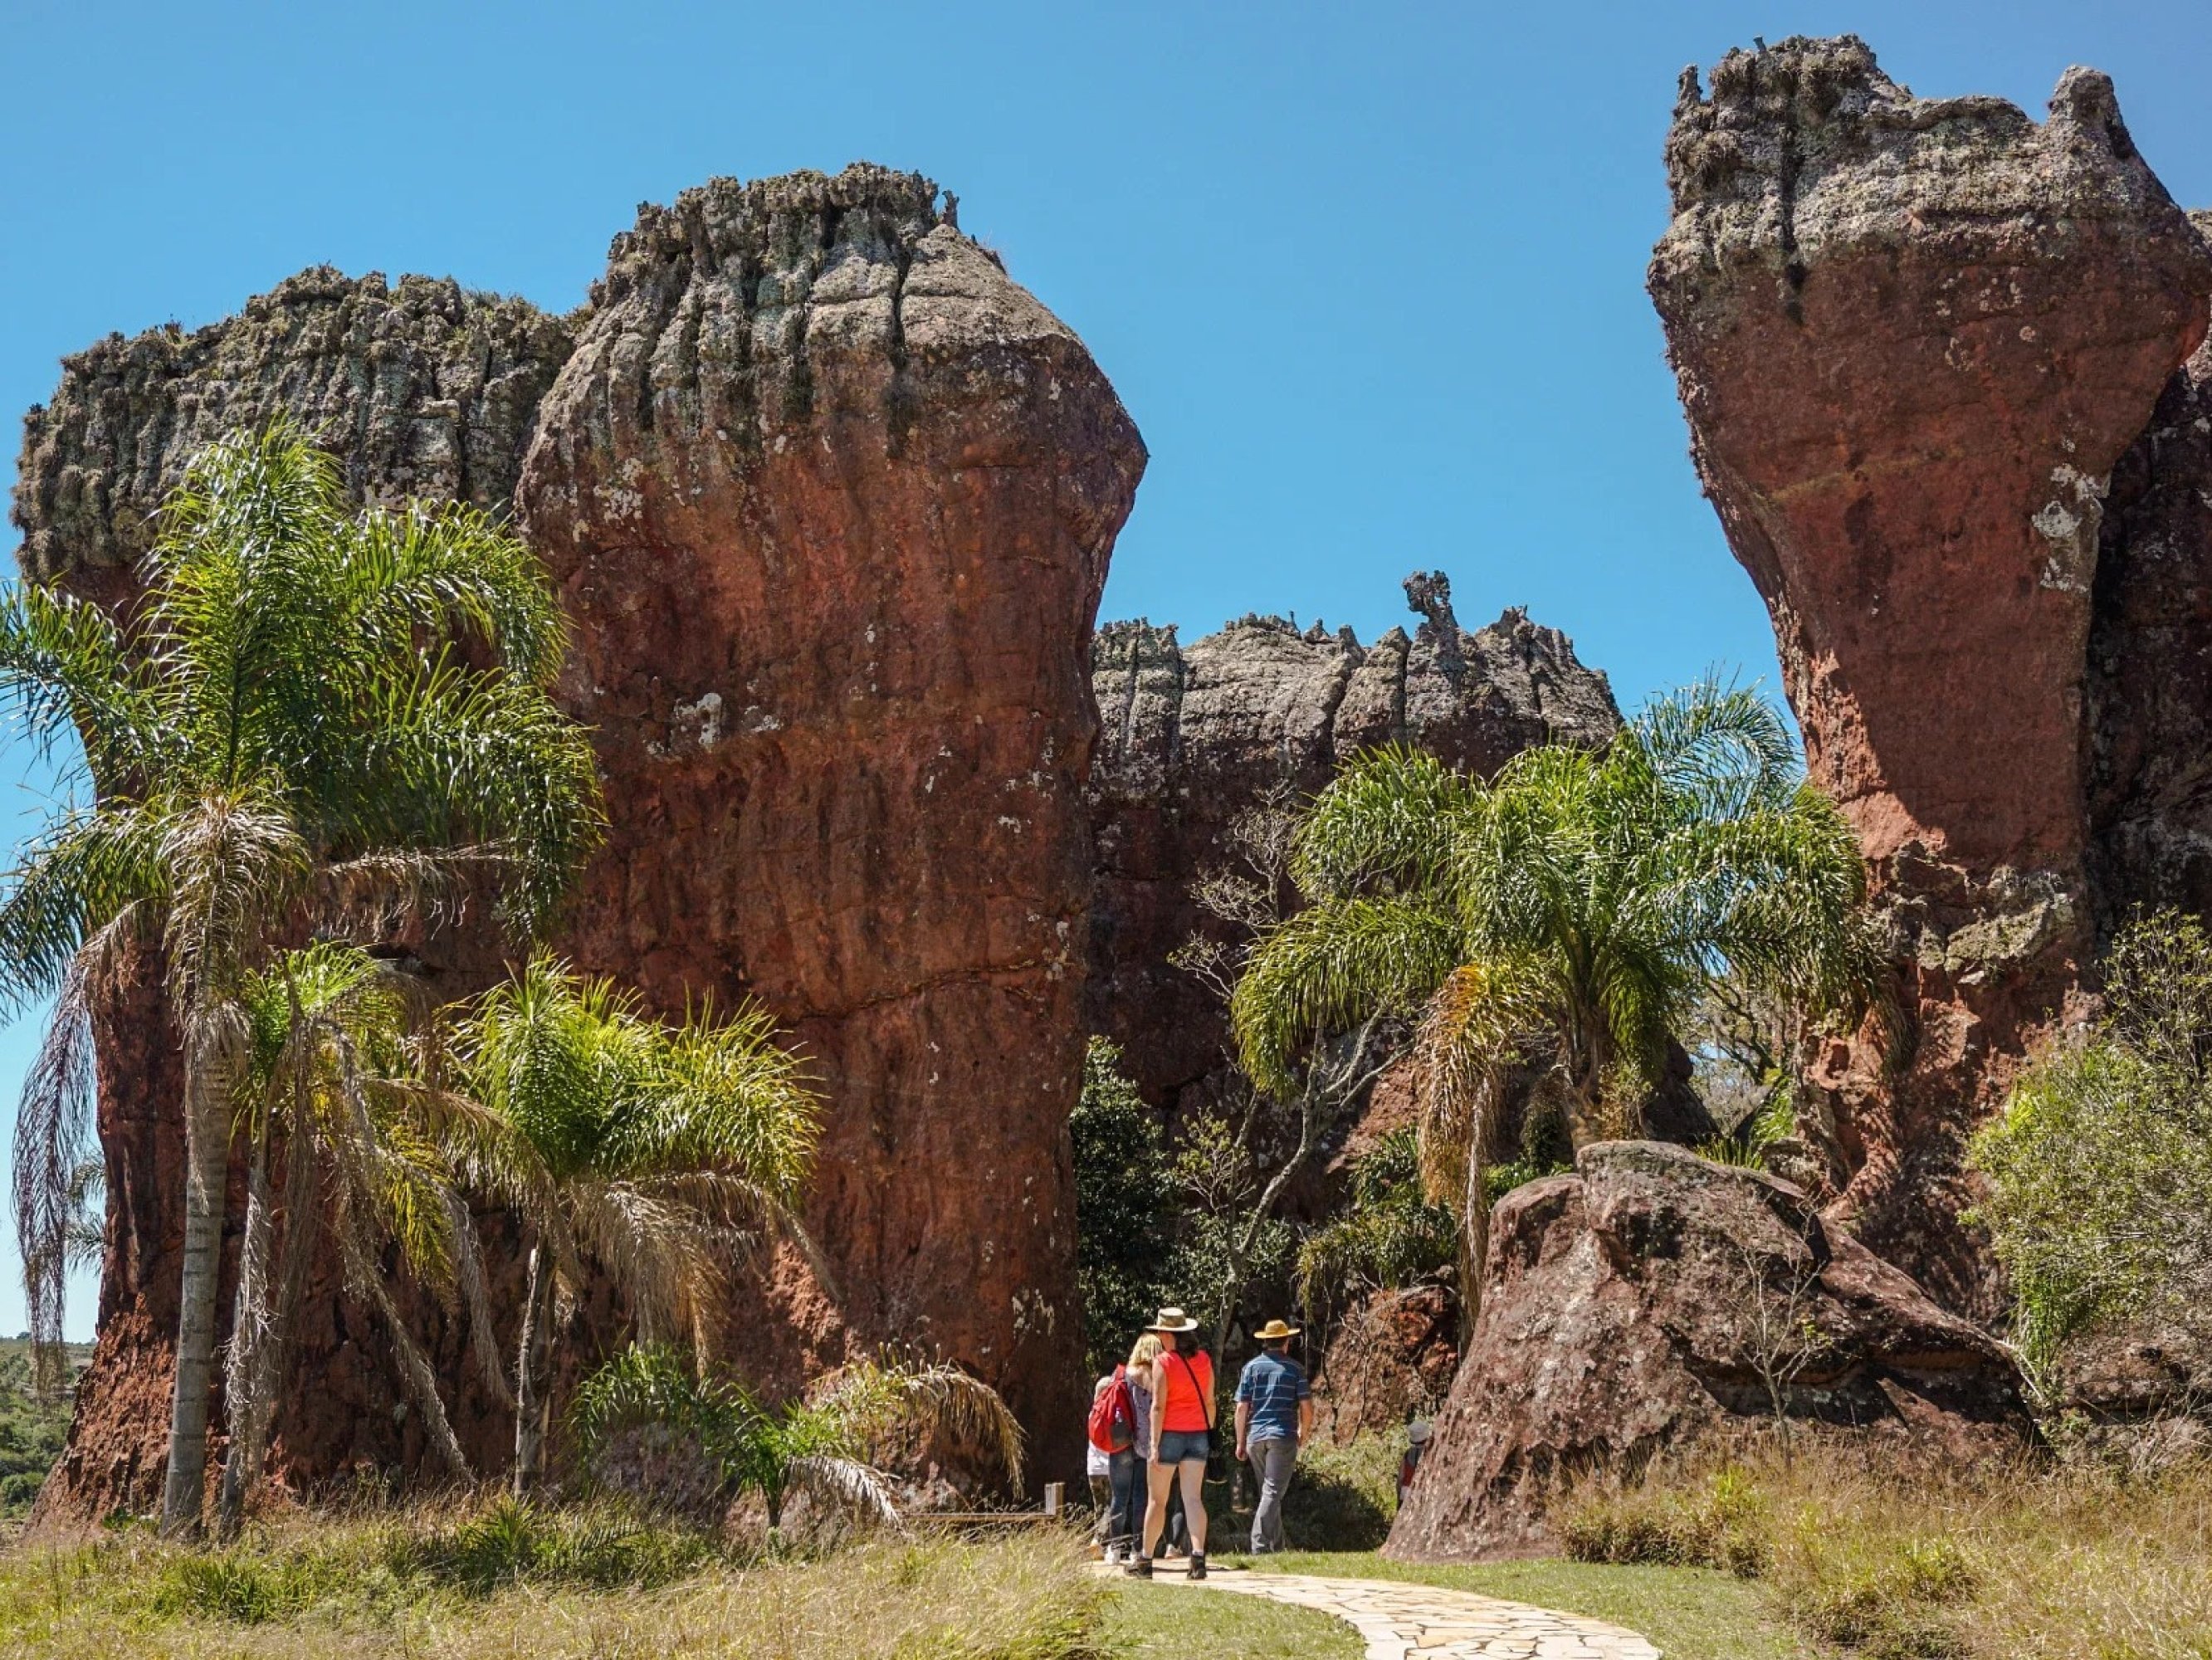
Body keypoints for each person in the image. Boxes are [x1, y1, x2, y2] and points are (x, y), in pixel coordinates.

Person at [1125, 1306, 1214, 1580]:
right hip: (1198, 1433)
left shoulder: (1163, 1362)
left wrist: (1153, 1443)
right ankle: (1198, 1560)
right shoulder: (1204, 1360)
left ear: (1166, 1333)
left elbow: (1158, 1406)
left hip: (1169, 1434)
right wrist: (1207, 1429)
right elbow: (1210, 1401)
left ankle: (1145, 1560)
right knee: (1193, 1498)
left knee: (1157, 1501)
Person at [1234, 1317, 1313, 1554]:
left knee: (1269, 1492)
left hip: (1255, 1437)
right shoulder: (1294, 1369)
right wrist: (1304, 1431)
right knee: (1272, 1492)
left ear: (1266, 1342)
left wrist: (1240, 1441)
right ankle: (1259, 1544)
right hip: (1282, 1435)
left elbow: (1241, 1408)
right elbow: (1306, 1407)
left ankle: (1277, 1546)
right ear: (1286, 1342)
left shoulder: (1250, 1368)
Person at [1086, 1375, 1116, 1556]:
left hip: (1093, 1468)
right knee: (1112, 1508)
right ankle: (1099, 1540)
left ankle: (1101, 1545)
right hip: (1110, 1467)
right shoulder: (1112, 1413)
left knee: (1099, 1507)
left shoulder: (1092, 1413)